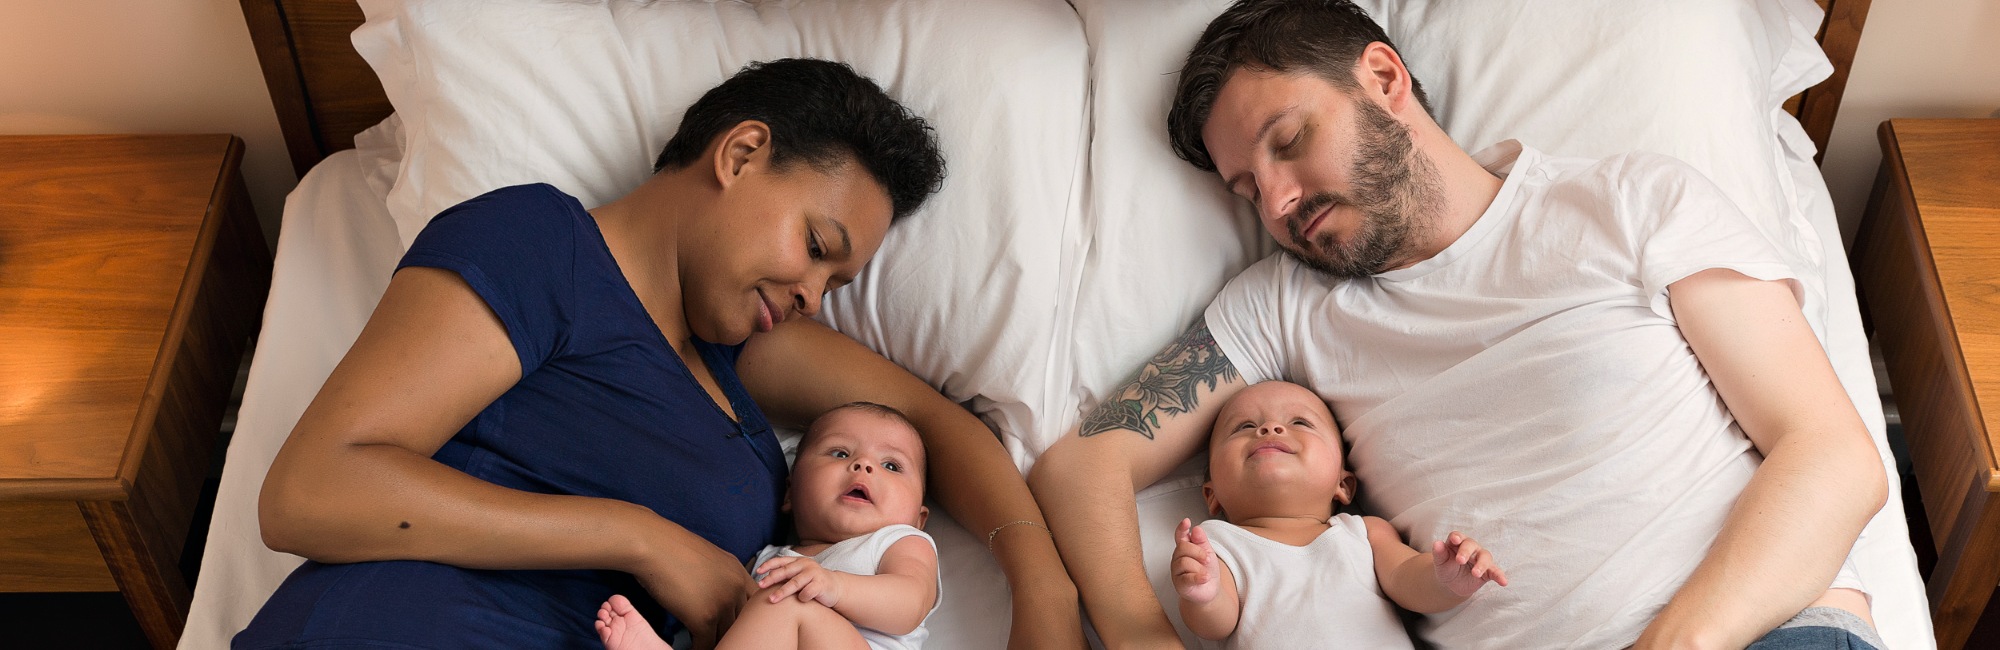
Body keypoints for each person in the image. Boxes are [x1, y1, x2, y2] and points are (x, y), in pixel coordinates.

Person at [1026, 2, 1888, 648]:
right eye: (1248, 190)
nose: (1279, 201)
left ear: (1385, 80)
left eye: (1288, 141)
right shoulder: (1284, 305)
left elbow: (1833, 456)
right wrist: (1147, 639)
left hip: (1760, 631)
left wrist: (1677, 643)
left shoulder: (1626, 204)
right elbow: (1082, 466)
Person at [236, 58, 1081, 650]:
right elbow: (310, 491)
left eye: (839, 283)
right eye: (817, 245)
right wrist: (640, 538)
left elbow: (935, 427)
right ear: (741, 153)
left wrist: (1044, 594)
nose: (813, 296)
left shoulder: (741, 356)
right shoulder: (543, 244)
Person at [1171, 381, 1505, 648]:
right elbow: (1217, 623)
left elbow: (1406, 580)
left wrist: (1445, 580)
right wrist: (1203, 594)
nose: (1270, 428)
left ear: (1343, 485)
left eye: (1299, 422)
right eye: (1244, 426)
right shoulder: (1215, 543)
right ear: (1212, 494)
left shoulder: (1363, 532)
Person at [599, 402, 940, 650]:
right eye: (839, 453)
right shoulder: (767, 560)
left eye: (892, 466)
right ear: (790, 492)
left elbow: (910, 603)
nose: (863, 465)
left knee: (789, 599)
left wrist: (835, 586)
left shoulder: (900, 541)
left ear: (918, 519)